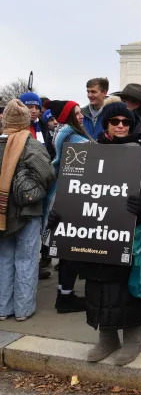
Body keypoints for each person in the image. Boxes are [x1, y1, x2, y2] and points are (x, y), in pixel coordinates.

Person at [48, 101, 141, 366]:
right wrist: (60, 214)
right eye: (115, 122)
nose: (121, 126)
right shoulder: (90, 153)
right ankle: (107, 338)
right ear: (106, 125)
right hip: (96, 233)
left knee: (127, 289)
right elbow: (74, 189)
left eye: (126, 122)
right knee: (98, 286)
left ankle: (133, 340)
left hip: (130, 235)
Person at [0, 99, 55, 322]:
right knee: (26, 258)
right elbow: (48, 174)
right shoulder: (30, 144)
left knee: (4, 259)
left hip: (2, 212)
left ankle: (3, 308)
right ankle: (23, 309)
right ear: (24, 121)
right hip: (28, 210)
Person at [44, 100, 92, 313]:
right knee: (71, 248)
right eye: (77, 113)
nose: (81, 116)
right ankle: (65, 297)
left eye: (81, 112)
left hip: (64, 192)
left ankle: (65, 294)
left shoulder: (63, 132)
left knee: (66, 249)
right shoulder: (73, 137)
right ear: (68, 116)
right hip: (71, 194)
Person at [19, 92, 54, 159]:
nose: (34, 111)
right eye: (30, 107)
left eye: (37, 108)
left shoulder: (43, 128)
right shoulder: (12, 127)